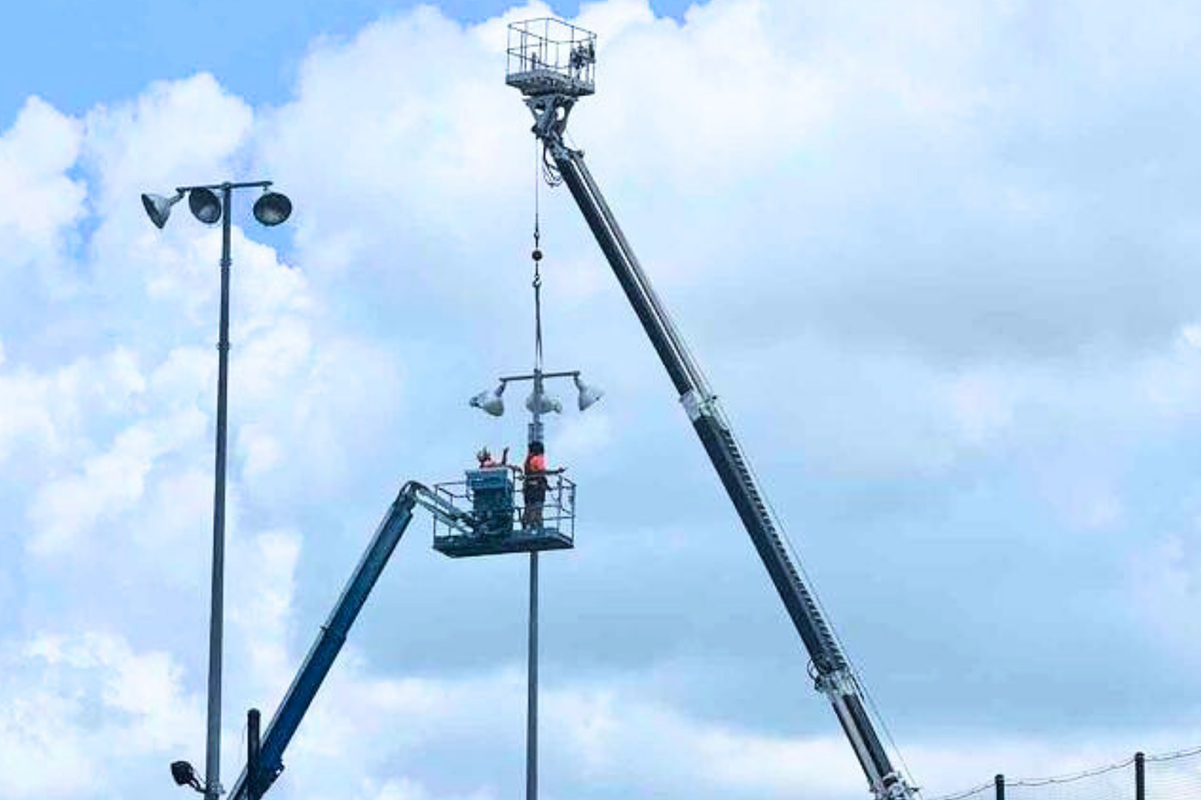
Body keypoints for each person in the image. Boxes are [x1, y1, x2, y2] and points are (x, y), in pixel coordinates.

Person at [521, 441, 564, 530]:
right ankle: (536, 528)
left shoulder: (528, 460)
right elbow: (541, 471)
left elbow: (534, 473)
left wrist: (547, 485)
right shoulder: (538, 458)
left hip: (528, 488)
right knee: (537, 509)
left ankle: (526, 526)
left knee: (528, 508)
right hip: (536, 489)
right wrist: (556, 471)